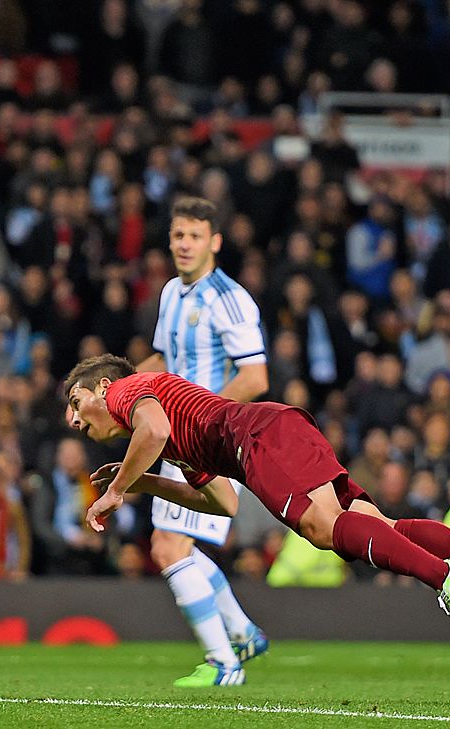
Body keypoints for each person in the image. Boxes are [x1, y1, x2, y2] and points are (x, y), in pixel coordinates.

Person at [63, 353, 450, 653]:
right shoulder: (171, 431)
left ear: (103, 388)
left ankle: (445, 576)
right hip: (273, 431)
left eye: (76, 399)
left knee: (325, 531)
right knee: (371, 523)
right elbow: (219, 502)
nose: (72, 417)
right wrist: (146, 484)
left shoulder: (130, 390)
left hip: (258, 439)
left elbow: (153, 429)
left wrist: (115, 491)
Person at [131, 196, 270, 686]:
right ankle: (243, 634)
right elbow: (164, 363)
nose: (184, 244)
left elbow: (255, 377)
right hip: (176, 437)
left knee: (169, 547)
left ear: (214, 242)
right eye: (177, 235)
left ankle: (224, 663)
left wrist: (207, 424)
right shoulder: (172, 293)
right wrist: (114, 388)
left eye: (194, 236)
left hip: (204, 440)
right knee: (175, 545)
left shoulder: (229, 298)